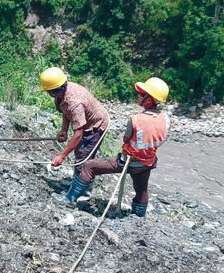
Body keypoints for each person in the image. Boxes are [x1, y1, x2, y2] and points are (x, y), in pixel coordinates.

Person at [58, 77, 170, 217]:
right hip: (147, 162)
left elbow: (126, 138)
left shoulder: (135, 120)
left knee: (88, 166)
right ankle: (139, 216)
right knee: (142, 190)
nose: (138, 96)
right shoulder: (165, 119)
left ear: (149, 99)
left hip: (128, 161)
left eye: (141, 94)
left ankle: (69, 199)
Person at [40, 67, 109, 196]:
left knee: (83, 159)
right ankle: (77, 184)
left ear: (53, 90)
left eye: (48, 91)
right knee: (79, 154)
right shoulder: (62, 93)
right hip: (86, 120)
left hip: (96, 125)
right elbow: (66, 112)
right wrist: (64, 131)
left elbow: (78, 134)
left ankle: (80, 195)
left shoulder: (74, 102)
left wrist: (62, 156)